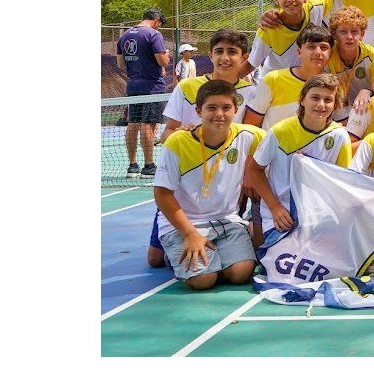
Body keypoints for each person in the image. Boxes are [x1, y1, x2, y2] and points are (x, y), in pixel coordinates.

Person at [149, 28, 257, 268]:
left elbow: (254, 138)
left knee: (235, 264)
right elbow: (167, 133)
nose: (225, 58)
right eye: (219, 51)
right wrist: (182, 135)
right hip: (187, 183)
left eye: (232, 52)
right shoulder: (187, 87)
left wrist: (249, 172)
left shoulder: (252, 92)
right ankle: (185, 242)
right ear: (210, 55)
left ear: (244, 57)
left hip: (227, 176)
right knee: (155, 261)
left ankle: (223, 253)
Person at [152, 80, 265, 290]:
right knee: (203, 280)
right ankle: (178, 255)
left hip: (226, 220)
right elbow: (162, 194)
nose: (219, 114)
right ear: (198, 110)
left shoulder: (248, 135)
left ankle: (219, 256)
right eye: (211, 108)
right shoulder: (178, 142)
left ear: (235, 110)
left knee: (241, 273)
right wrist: (190, 234)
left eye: (226, 108)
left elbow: (280, 144)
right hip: (187, 224)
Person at [247, 73, 353, 247]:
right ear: (302, 100)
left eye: (328, 100)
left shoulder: (340, 136)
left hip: (317, 214)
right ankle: (255, 226)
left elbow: (341, 183)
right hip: (281, 211)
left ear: (335, 105)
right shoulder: (280, 131)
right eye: (315, 98)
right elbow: (254, 170)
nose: (321, 105)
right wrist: (274, 207)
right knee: (282, 262)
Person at [249, 0, 368, 77]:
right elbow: (250, 64)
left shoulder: (315, 8)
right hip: (277, 86)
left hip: (307, 80)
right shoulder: (268, 28)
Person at [243, 24, 333, 129]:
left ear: (330, 53)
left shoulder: (333, 86)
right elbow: (249, 126)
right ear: (299, 52)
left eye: (323, 47)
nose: (318, 52)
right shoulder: (273, 80)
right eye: (311, 47)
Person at [117, 7, 170, 178]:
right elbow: (162, 61)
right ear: (156, 21)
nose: (158, 28)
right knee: (149, 124)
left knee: (133, 123)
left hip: (133, 86)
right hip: (152, 87)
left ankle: (132, 166)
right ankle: (149, 166)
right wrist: (166, 56)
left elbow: (121, 64)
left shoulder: (124, 35)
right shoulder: (154, 35)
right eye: (159, 25)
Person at [324, 6, 374, 125]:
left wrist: (367, 91)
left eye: (354, 31)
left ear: (362, 34)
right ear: (334, 34)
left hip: (366, 107)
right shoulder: (327, 56)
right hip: (336, 109)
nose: (349, 37)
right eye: (343, 31)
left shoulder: (373, 57)